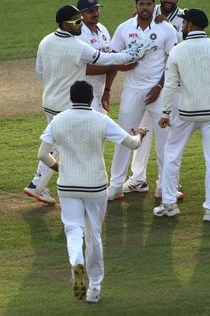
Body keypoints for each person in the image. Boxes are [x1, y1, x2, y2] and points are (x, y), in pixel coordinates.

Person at [23, 5, 149, 205]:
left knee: (56, 143)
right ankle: (47, 183)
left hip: (50, 102)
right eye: (76, 22)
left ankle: (37, 185)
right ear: (65, 24)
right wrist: (132, 54)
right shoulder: (77, 47)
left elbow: (40, 71)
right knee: (62, 145)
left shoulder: (45, 41)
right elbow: (108, 59)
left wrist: (54, 86)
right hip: (67, 105)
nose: (81, 24)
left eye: (81, 19)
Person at [37, 80, 148, 303]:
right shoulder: (100, 120)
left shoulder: (59, 120)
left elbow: (42, 155)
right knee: (94, 235)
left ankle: (76, 263)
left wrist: (60, 168)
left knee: (73, 230)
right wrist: (140, 135)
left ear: (71, 98)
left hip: (67, 186)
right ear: (90, 99)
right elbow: (132, 145)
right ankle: (94, 288)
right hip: (95, 187)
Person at [154, 9, 210, 221]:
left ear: (190, 24)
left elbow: (170, 85)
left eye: (184, 23)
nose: (182, 26)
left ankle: (169, 204)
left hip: (185, 113)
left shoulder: (178, 50)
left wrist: (164, 112)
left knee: (172, 155)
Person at [107, 0, 178, 200]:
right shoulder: (124, 28)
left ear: (152, 5)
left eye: (148, 4)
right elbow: (112, 56)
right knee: (124, 137)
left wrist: (159, 87)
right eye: (141, 5)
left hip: (159, 91)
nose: (145, 8)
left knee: (165, 140)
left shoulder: (166, 29)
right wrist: (124, 66)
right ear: (136, 6)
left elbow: (173, 62)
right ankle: (116, 186)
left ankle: (164, 187)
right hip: (132, 90)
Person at [123, 0, 185, 195]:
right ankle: (137, 178)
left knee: (168, 134)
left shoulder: (184, 18)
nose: (168, 0)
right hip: (143, 86)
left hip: (171, 86)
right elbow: (135, 24)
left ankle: (169, 182)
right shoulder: (151, 11)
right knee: (140, 131)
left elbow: (180, 53)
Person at [76, 0, 138, 114]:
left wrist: (107, 90)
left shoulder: (103, 29)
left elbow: (111, 57)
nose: (96, 13)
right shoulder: (79, 34)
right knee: (90, 127)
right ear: (81, 14)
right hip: (83, 89)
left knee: (101, 128)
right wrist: (116, 65)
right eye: (90, 11)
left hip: (101, 87)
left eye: (97, 9)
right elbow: (82, 69)